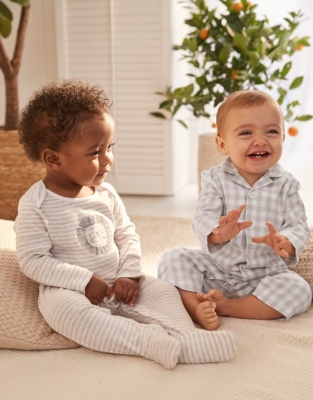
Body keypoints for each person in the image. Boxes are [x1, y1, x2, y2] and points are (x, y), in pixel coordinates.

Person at [14, 79, 237, 368]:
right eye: (95, 152)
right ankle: (148, 342)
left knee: (163, 289)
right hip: (73, 291)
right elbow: (33, 260)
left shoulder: (106, 194)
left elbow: (127, 236)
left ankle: (185, 336)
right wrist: (82, 281)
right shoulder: (35, 204)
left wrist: (130, 274)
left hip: (121, 283)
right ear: (53, 159)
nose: (108, 159)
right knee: (63, 313)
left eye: (110, 147)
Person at [158, 90, 312, 331]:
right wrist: (218, 232)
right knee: (172, 258)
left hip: (265, 275)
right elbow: (203, 217)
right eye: (246, 133)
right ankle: (194, 306)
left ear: (283, 137)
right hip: (217, 270)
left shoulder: (287, 184)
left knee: (300, 290)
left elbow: (299, 225)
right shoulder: (215, 179)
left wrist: (286, 240)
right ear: (222, 144)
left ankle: (229, 306)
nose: (261, 140)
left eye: (271, 131)